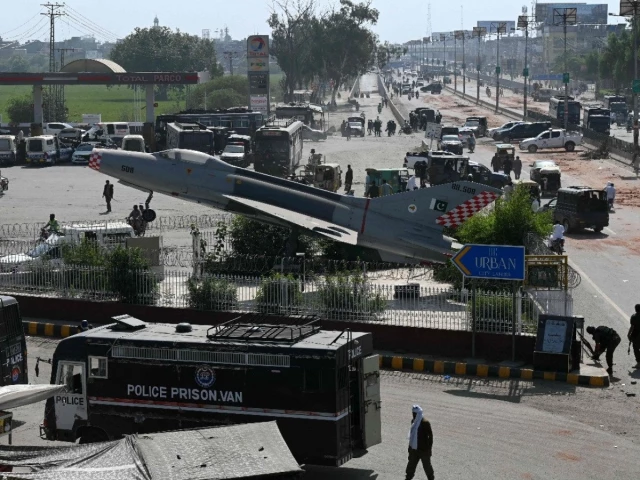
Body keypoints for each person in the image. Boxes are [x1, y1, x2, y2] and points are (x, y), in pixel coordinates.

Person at [405, 405, 434, 480]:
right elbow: (412, 436)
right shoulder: (413, 421)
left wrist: (429, 449)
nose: (413, 415)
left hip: (423, 450)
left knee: (427, 467)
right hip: (414, 450)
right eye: (413, 413)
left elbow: (430, 437)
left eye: (415, 414)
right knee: (411, 465)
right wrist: (410, 448)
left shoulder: (425, 423)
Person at [628, 304, 640, 369]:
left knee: (636, 348)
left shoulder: (634, 317)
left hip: (636, 335)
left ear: (635, 309)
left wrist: (629, 334)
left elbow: (632, 327)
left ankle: (639, 363)